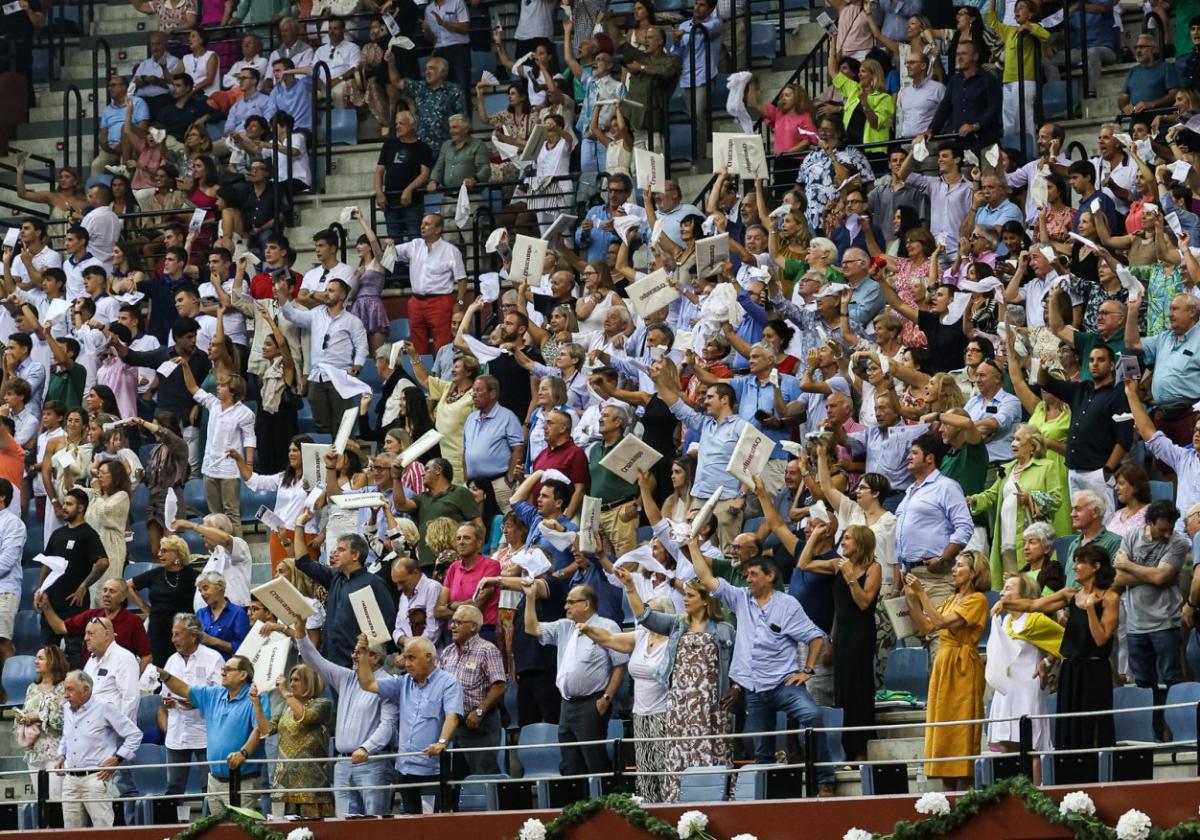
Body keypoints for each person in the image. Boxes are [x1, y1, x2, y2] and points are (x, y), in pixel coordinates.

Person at [686, 528, 835, 794]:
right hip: (753, 688)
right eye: (747, 576)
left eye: (754, 575)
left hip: (784, 684)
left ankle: (824, 779)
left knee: (812, 715)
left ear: (770, 576)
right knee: (762, 749)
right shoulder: (740, 598)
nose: (749, 579)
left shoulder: (787, 604)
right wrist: (693, 548)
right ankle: (765, 795)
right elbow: (707, 579)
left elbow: (815, 637)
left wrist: (808, 670)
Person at [1002, 544, 1118, 769]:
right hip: (1071, 669)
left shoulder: (1109, 598)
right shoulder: (1070, 594)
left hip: (1095, 671)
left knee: (1093, 725)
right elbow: (1034, 604)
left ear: (1095, 567)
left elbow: (1102, 639)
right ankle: (1071, 774)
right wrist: (1004, 602)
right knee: (1070, 724)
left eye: (1080, 562)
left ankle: (1096, 772)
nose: (1074, 566)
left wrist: (1091, 609)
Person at [579, 588, 677, 803]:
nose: (645, 615)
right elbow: (611, 638)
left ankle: (671, 812)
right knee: (645, 771)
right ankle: (650, 814)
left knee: (665, 769)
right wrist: (587, 629)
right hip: (640, 716)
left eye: (651, 612)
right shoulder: (641, 635)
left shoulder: (674, 641)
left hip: (665, 716)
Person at [795, 516, 880, 761]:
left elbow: (864, 602)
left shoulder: (873, 567)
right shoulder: (836, 564)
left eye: (848, 538)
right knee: (841, 689)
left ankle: (861, 747)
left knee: (858, 689)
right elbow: (804, 563)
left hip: (861, 634)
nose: (843, 542)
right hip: (841, 633)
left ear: (861, 543)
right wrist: (815, 535)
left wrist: (850, 576)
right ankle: (846, 748)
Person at [903, 550, 990, 791]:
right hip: (943, 662)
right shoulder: (952, 600)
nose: (953, 569)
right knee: (942, 727)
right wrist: (913, 600)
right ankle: (946, 794)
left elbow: (940, 622)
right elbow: (927, 627)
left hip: (961, 666)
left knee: (961, 727)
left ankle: (966, 792)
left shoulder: (977, 600)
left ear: (974, 574)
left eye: (959, 566)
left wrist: (922, 592)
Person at [291, 622, 397, 817]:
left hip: (373, 762)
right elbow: (315, 661)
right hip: (343, 764)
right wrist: (301, 635)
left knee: (376, 826)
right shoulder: (346, 677)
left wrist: (366, 748)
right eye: (354, 652)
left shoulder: (388, 683)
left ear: (375, 657)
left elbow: (388, 726)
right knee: (343, 825)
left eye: (360, 652)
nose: (353, 656)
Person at [524, 581, 627, 776]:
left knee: (594, 760)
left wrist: (606, 699)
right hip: (567, 704)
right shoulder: (564, 626)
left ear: (586, 604)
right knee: (570, 763)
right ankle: (576, 805)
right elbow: (532, 629)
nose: (566, 606)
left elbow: (620, 664)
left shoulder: (607, 626)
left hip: (592, 702)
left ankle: (603, 804)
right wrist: (530, 598)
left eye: (571, 602)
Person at [354, 634, 461, 814]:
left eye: (412, 657)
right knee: (410, 825)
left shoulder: (448, 682)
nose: (406, 663)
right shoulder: (403, 682)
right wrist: (364, 654)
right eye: (405, 657)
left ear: (428, 657)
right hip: (404, 769)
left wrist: (441, 743)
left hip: (433, 770)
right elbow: (368, 683)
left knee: (433, 826)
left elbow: (453, 717)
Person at [1114, 500, 1187, 736]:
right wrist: (1153, 573)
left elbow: (1160, 577)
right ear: (1149, 523)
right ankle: (1151, 735)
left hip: (1166, 623)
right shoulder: (1132, 537)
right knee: (1144, 684)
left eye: (1170, 529)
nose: (1167, 534)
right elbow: (1117, 579)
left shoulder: (1178, 543)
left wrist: (1129, 566)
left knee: (1171, 679)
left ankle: (1175, 735)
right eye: (1161, 529)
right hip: (1136, 625)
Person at [157, 655, 265, 812]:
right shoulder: (214, 694)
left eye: (228, 670)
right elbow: (185, 689)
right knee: (218, 832)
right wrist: (165, 676)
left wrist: (243, 753)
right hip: (214, 781)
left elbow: (259, 730)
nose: (223, 673)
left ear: (243, 675)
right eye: (223, 670)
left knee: (240, 832)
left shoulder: (255, 698)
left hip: (242, 781)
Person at [966, 424, 1067, 589]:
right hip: (1006, 537)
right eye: (1013, 439)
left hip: (1030, 540)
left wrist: (1031, 497)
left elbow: (1056, 499)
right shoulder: (1007, 469)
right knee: (1010, 585)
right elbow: (992, 494)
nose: (1013, 443)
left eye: (1018, 440)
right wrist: (975, 500)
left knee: (1030, 586)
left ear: (1032, 446)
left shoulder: (1047, 466)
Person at [984, 573, 1063, 777]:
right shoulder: (1006, 621)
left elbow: (1063, 642)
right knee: (1006, 743)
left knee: (1030, 745)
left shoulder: (1034, 619)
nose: (1002, 592)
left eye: (1009, 588)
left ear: (1023, 594)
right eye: (1003, 587)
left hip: (1027, 688)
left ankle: (1035, 794)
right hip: (1006, 689)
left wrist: (1046, 661)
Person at [894, 433, 975, 612]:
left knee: (938, 635)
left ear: (929, 458)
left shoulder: (946, 486)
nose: (908, 457)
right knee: (918, 637)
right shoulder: (910, 491)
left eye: (914, 453)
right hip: (908, 575)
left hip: (935, 576)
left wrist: (944, 558)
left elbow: (965, 526)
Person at [296, 529, 396, 667]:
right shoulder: (334, 578)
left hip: (357, 666)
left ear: (355, 555)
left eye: (341, 550)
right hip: (329, 663)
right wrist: (299, 524)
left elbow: (387, 625)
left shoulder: (374, 583)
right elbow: (303, 562)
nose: (335, 553)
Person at [56, 670, 143, 829]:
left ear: (86, 690)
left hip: (96, 778)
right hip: (70, 780)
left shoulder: (104, 707)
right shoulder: (67, 708)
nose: (66, 695)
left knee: (103, 832)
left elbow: (134, 734)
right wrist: (61, 754)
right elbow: (66, 734)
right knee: (70, 833)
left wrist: (118, 758)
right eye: (65, 690)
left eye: (70, 689)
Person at [34, 489, 109, 669]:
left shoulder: (88, 534)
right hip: (51, 603)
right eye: (64, 504)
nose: (64, 508)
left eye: (69, 504)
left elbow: (103, 562)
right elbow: (46, 563)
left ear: (81, 508)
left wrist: (84, 586)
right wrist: (40, 590)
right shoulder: (58, 534)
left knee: (75, 651)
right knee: (48, 651)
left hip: (74, 605)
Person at [250, 664, 333, 818]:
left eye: (297, 680)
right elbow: (266, 730)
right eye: (291, 680)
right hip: (284, 782)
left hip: (312, 783)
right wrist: (257, 705)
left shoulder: (322, 704)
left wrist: (284, 692)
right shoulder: (284, 707)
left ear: (309, 682)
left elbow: (306, 716)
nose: (292, 684)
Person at [438, 604, 507, 788]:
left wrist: (480, 711)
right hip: (455, 724)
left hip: (480, 724)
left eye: (458, 622)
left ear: (473, 626)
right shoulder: (447, 652)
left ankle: (492, 815)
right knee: (458, 781)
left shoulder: (487, 650)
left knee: (483, 777)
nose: (452, 626)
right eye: (453, 622)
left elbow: (499, 685)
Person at [159, 614, 224, 809]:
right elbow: (164, 694)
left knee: (209, 786)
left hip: (205, 733)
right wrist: (168, 701)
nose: (173, 639)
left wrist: (198, 702)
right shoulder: (171, 660)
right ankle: (172, 829)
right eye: (173, 634)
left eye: (178, 634)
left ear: (193, 636)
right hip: (177, 732)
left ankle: (210, 826)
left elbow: (222, 695)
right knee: (173, 787)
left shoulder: (213, 658)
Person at [15, 646, 68, 805]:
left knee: (56, 800)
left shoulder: (64, 687)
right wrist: (22, 718)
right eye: (36, 658)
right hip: (34, 752)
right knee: (41, 802)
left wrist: (39, 716)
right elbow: (25, 711)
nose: (36, 661)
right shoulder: (31, 688)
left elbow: (65, 720)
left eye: (41, 658)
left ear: (53, 661)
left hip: (55, 752)